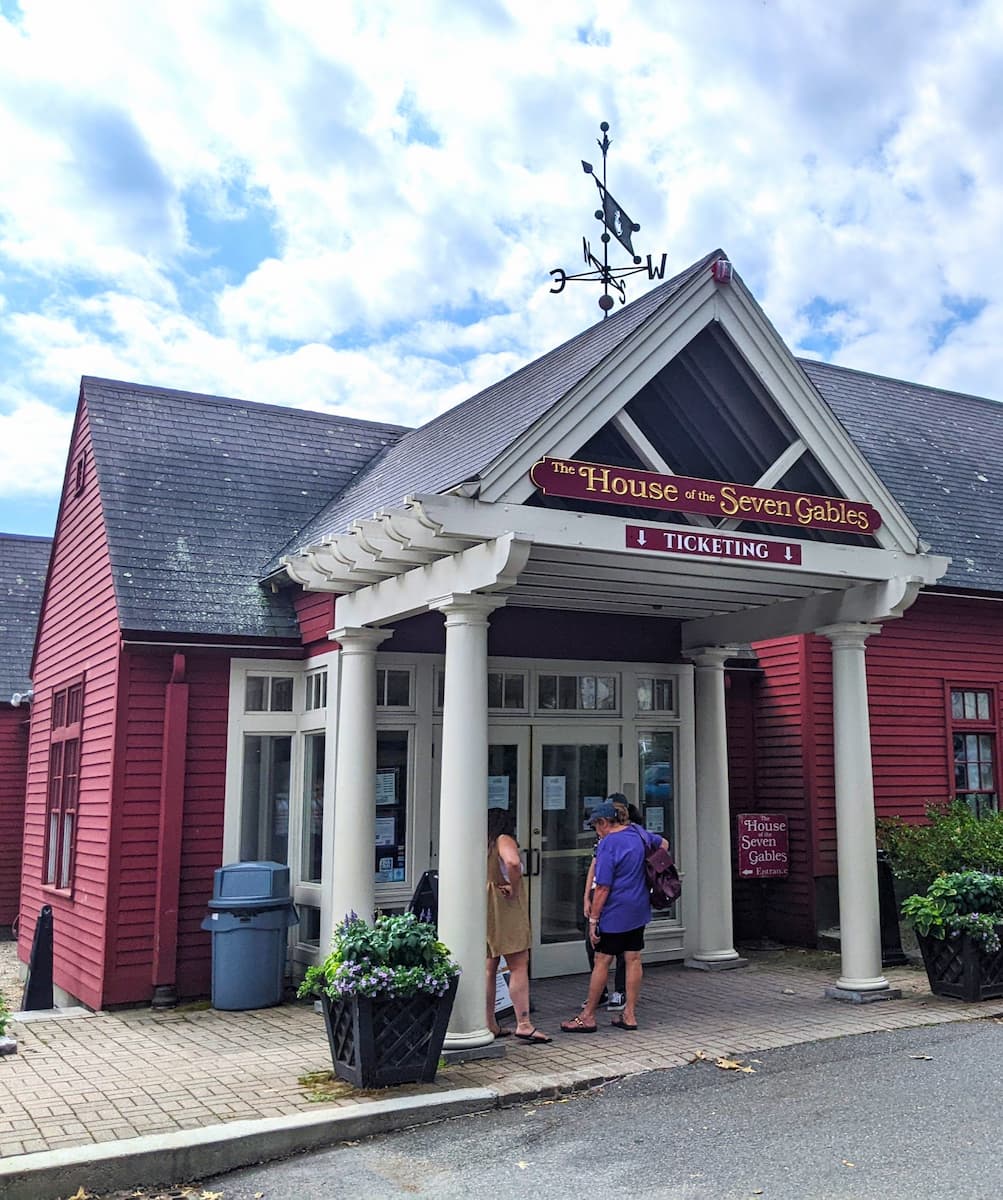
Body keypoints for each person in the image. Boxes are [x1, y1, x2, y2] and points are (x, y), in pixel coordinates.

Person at [561, 800, 667, 1033]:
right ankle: (629, 1014)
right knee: (633, 958)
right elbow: (664, 844)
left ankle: (587, 1016)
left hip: (614, 910)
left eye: (595, 826)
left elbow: (603, 887)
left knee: (602, 960)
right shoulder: (638, 833)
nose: (596, 831)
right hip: (638, 906)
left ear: (603, 822)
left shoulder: (609, 843)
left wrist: (593, 919)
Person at [485, 808, 551, 1044]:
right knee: (518, 964)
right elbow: (512, 862)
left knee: (488, 966)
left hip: (484, 905)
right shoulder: (504, 839)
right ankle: (523, 1023)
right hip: (505, 906)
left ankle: (488, 1022)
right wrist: (513, 886)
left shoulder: (483, 842)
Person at [582, 793, 633, 1011]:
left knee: (622, 951)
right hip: (599, 893)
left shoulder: (631, 835)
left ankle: (620, 991)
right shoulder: (602, 840)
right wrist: (586, 896)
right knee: (592, 945)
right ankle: (599, 992)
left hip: (618, 898)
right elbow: (594, 868)